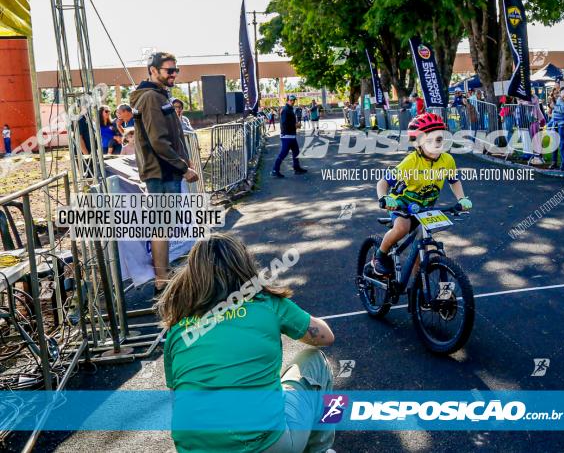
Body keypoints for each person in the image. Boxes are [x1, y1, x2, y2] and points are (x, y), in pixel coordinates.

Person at [158, 233, 336, 453]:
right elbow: (326, 337)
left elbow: (177, 396)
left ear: (192, 273)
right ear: (245, 265)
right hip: (263, 444)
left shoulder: (178, 326)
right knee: (316, 361)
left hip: (193, 446)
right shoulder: (266, 303)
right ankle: (321, 449)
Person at [130, 52, 200, 296]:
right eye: (169, 70)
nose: (173, 74)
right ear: (153, 70)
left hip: (166, 170)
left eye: (175, 70)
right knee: (161, 225)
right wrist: (183, 166)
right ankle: (162, 280)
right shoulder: (150, 97)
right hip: (161, 172)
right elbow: (158, 141)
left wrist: (183, 158)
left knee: (165, 224)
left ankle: (163, 276)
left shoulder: (159, 95)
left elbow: (170, 136)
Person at [371, 113, 472, 276]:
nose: (436, 145)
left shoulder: (447, 160)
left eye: (439, 140)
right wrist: (384, 197)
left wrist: (462, 199)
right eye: (429, 141)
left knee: (421, 250)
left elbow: (454, 181)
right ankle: (379, 257)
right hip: (401, 204)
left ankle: (419, 290)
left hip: (424, 209)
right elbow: (382, 183)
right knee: (402, 228)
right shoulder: (411, 161)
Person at [273, 94, 307, 178]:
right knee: (283, 153)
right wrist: (295, 125)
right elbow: (284, 123)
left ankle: (297, 168)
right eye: (291, 100)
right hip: (286, 135)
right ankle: (275, 170)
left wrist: (295, 125)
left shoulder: (290, 109)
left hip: (291, 135)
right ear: (287, 100)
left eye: (294, 100)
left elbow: (288, 122)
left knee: (296, 152)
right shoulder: (285, 109)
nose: (293, 101)